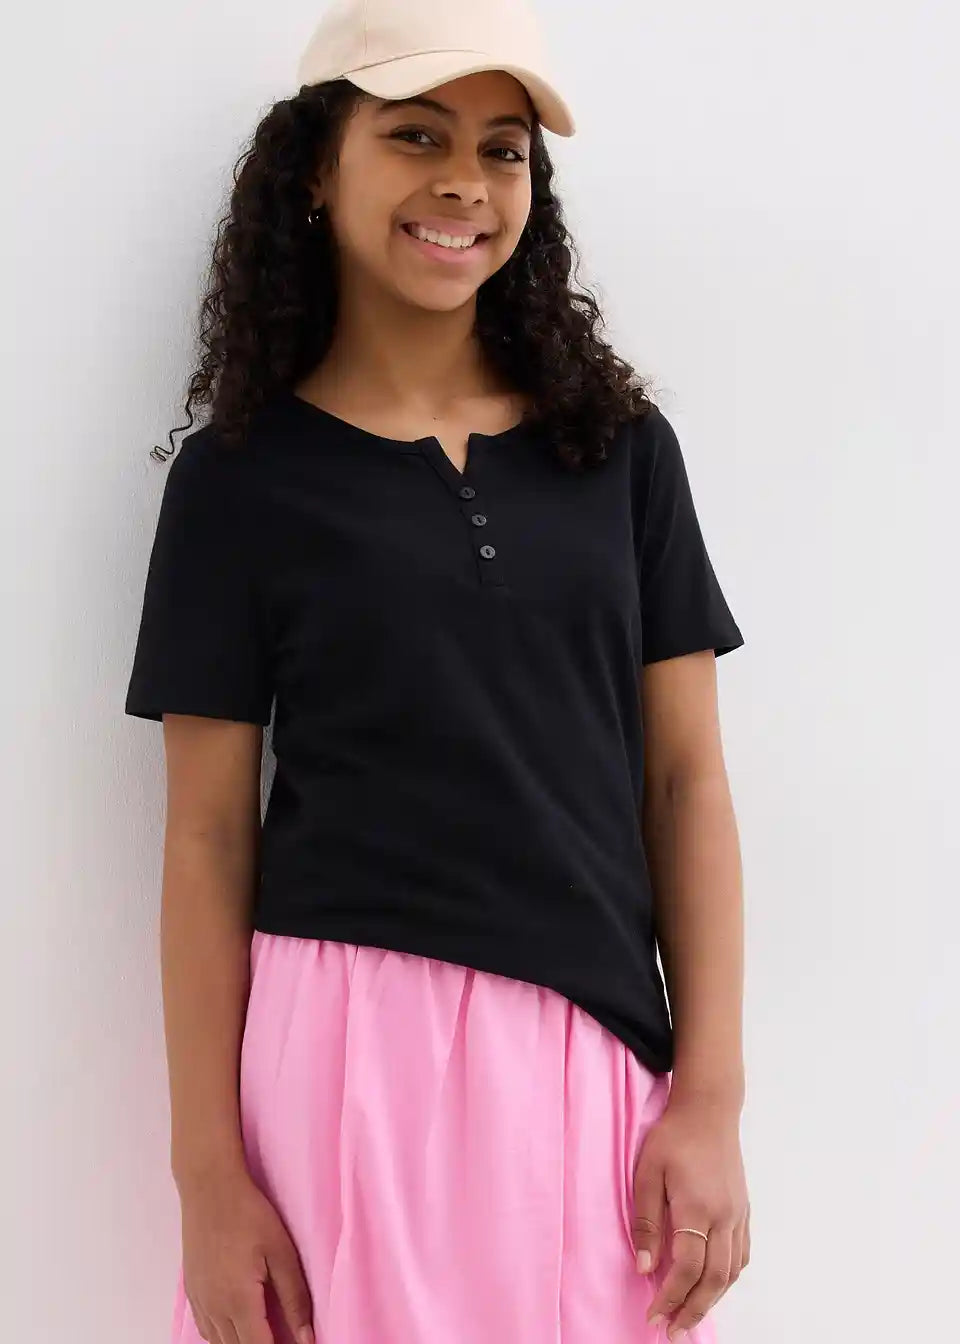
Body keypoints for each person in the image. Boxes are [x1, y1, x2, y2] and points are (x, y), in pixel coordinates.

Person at [123, 1, 751, 1341]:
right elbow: (206, 838)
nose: (465, 181)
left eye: (503, 149)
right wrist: (208, 1177)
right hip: (343, 1057)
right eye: (416, 136)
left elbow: (688, 784)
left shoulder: (619, 454)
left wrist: (710, 1099)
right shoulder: (240, 481)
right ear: (318, 166)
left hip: (593, 1055)